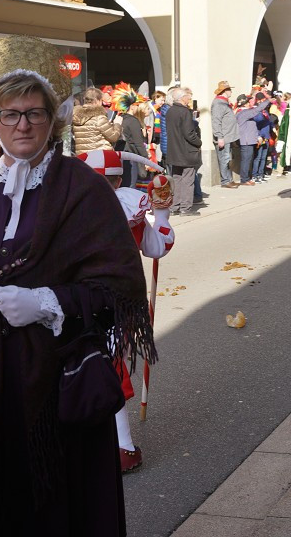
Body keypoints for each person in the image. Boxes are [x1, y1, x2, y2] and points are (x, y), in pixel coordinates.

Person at [0, 36, 155, 536]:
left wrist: (49, 302)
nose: (23, 124)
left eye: (34, 112)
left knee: (60, 512)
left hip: (60, 388)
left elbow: (120, 289)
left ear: (54, 118)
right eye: (10, 114)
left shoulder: (83, 188)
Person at [77, 150, 176, 474]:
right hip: (118, 304)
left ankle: (117, 445)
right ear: (121, 179)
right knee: (109, 368)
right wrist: (162, 216)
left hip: (73, 304)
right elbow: (157, 247)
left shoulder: (70, 209)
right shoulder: (130, 207)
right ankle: (121, 446)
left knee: (89, 370)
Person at [165, 86, 202, 215]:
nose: (189, 99)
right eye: (188, 97)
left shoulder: (170, 111)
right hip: (186, 151)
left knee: (177, 179)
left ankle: (175, 206)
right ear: (182, 98)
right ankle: (185, 208)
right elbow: (189, 133)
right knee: (187, 180)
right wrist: (199, 142)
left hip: (174, 151)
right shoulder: (185, 112)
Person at [234, 92, 271, 186]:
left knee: (247, 159)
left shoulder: (243, 112)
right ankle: (244, 179)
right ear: (245, 103)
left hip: (249, 139)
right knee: (246, 160)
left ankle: (246, 178)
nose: (250, 102)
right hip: (246, 140)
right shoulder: (244, 112)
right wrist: (268, 100)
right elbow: (258, 109)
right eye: (248, 101)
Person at [72, 86, 122, 154]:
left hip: (83, 156)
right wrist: (117, 124)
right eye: (101, 100)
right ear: (97, 101)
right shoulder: (99, 118)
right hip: (100, 156)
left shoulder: (76, 117)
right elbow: (113, 137)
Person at [210, 80, 240, 188]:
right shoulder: (218, 103)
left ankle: (229, 179)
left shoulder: (224, 102)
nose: (231, 91)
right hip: (223, 137)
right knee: (224, 159)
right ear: (224, 91)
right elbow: (216, 121)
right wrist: (219, 137)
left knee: (227, 159)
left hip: (228, 136)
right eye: (229, 89)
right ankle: (225, 181)